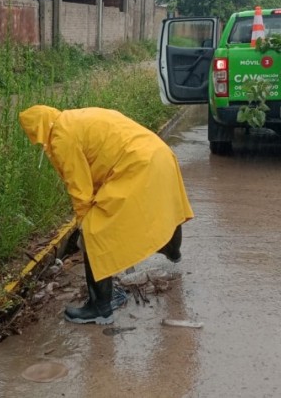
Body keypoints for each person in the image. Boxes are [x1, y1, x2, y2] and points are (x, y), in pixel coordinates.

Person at [19, 105, 194, 325]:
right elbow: (102, 157)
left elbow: (79, 188)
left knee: (95, 231)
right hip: (160, 155)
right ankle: (171, 249)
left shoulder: (61, 138)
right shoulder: (75, 118)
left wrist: (83, 222)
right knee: (163, 207)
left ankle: (99, 308)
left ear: (38, 131)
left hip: (137, 164)